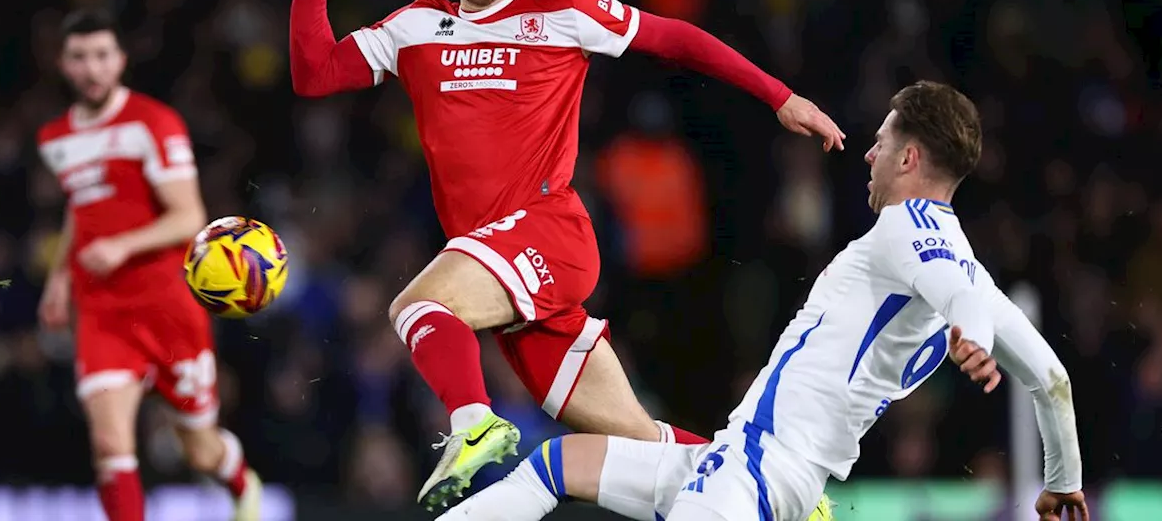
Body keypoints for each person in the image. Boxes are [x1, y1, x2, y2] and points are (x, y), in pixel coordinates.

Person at [288, 0, 846, 510]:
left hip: (547, 233)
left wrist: (781, 97)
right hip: (500, 269)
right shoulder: (416, 26)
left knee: (417, 307)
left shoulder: (564, 13)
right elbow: (314, 74)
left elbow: (679, 39)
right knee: (639, 439)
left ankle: (474, 425)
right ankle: (788, 496)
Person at [437, 81, 1089, 521]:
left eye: (883, 140)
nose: (869, 152)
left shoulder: (910, 228)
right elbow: (1051, 380)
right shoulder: (956, 262)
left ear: (911, 157)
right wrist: (1062, 482)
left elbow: (960, 293)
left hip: (752, 479)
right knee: (553, 464)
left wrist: (970, 332)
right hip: (742, 464)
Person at [37, 11, 262, 521]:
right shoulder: (55, 138)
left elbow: (190, 217)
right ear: (63, 65)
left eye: (101, 56)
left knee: (199, 450)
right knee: (109, 445)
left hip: (166, 307)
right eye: (79, 57)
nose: (91, 68)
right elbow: (81, 206)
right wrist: (58, 279)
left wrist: (122, 246)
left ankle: (241, 480)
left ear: (119, 61)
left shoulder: (154, 123)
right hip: (102, 311)